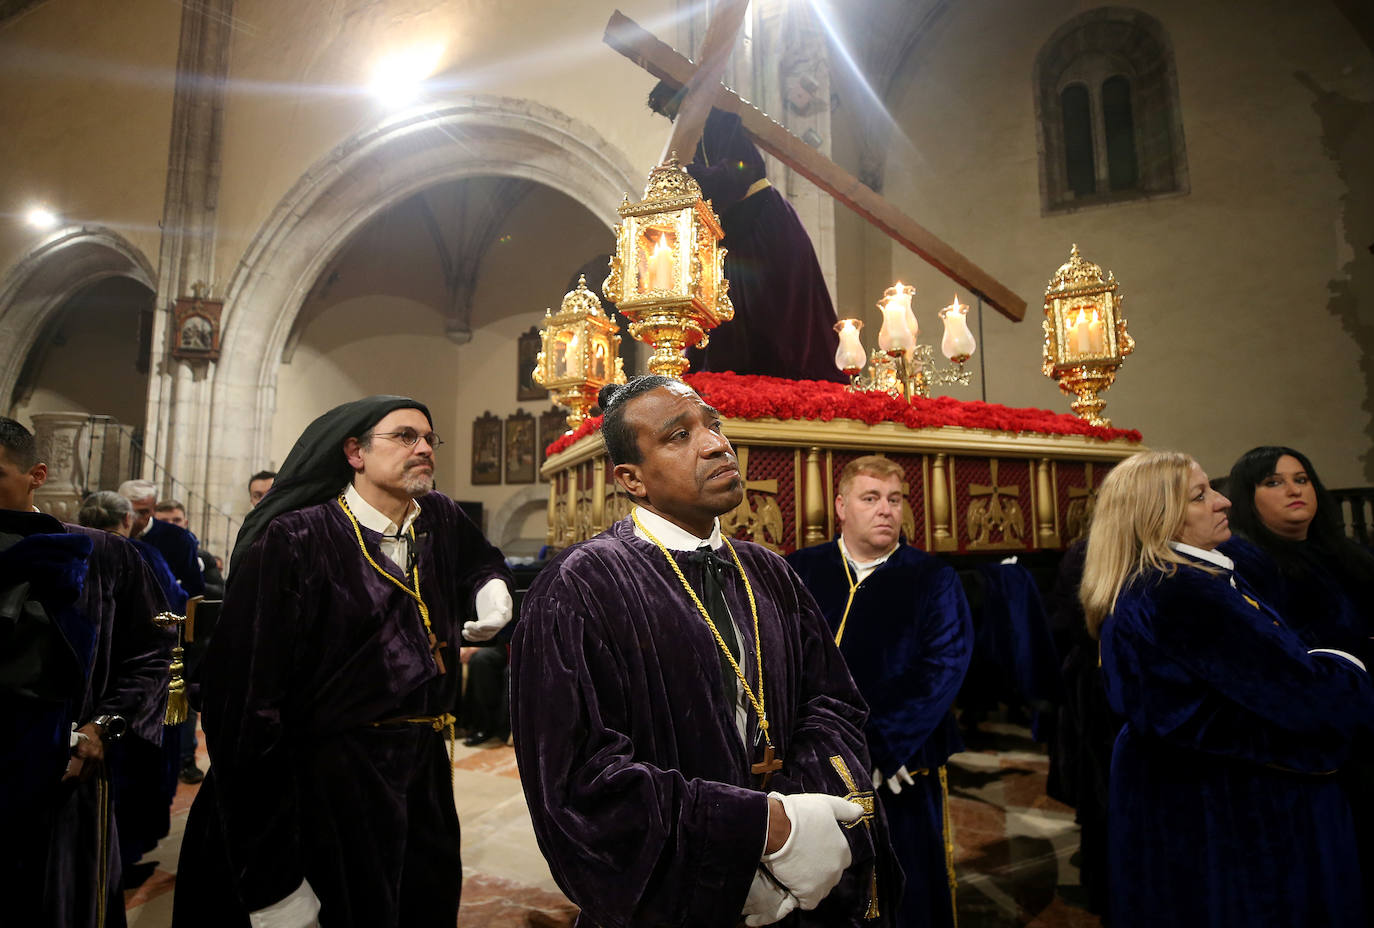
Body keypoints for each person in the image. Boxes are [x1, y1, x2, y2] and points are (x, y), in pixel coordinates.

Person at [512, 375, 899, 928]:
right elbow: (578, 783)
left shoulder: (768, 569)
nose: (717, 443)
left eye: (712, 425)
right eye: (677, 437)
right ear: (632, 479)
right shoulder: (581, 586)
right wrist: (757, 832)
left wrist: (796, 822)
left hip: (798, 889)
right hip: (675, 901)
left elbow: (833, 705)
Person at [173, 395, 514, 928]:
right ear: (354, 452)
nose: (424, 448)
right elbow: (246, 708)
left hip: (422, 767)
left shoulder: (439, 516)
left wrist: (493, 590)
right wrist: (273, 883)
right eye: (405, 437)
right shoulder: (297, 539)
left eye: (429, 438)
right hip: (329, 778)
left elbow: (480, 560)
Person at [1080, 450, 1374, 926]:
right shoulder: (1180, 591)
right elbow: (1309, 700)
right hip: (1229, 812)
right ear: (1159, 517)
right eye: (1201, 495)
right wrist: (1347, 665)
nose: (1223, 503)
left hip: (1194, 796)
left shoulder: (1187, 577)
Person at [0, 417, 172, 928]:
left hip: (60, 761)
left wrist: (102, 727)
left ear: (37, 473)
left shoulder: (101, 554)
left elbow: (152, 652)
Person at [787, 455, 970, 928]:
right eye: (871, 498)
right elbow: (781, 663)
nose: (886, 509)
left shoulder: (931, 578)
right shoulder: (801, 570)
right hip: (815, 764)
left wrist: (883, 748)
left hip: (901, 764)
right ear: (841, 506)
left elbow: (941, 669)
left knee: (908, 884)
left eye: (894, 499)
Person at [1223, 445, 1374, 921]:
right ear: (1249, 497)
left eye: (1301, 478)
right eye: (1273, 482)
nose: (1293, 490)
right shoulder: (1244, 563)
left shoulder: (1345, 552)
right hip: (1321, 733)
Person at [648, 81, 845, 383]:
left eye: (672, 109)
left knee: (776, 319)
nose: (673, 119)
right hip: (734, 233)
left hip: (763, 224)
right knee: (730, 318)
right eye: (667, 114)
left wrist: (689, 176)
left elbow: (744, 169)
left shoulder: (720, 121)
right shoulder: (691, 142)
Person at [118, 479, 205, 601]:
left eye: (143, 512)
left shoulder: (178, 537)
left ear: (154, 508)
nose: (136, 519)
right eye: (131, 512)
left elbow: (194, 588)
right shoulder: (108, 534)